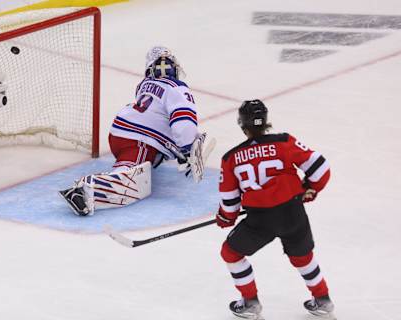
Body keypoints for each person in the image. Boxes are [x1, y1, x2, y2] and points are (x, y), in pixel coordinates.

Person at [216, 99, 334, 319]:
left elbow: (230, 203)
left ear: (242, 124)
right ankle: (323, 299)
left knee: (231, 253)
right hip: (293, 213)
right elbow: (320, 168)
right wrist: (309, 188)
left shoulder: (231, 158)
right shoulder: (284, 142)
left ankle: (250, 303)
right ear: (266, 122)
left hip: (261, 221)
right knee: (303, 256)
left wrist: (225, 218)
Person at [59, 46, 205, 216]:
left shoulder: (143, 85)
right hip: (139, 141)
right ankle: (84, 191)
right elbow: (183, 121)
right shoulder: (178, 88)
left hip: (121, 134)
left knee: (147, 163)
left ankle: (146, 159)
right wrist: (187, 147)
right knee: (133, 183)